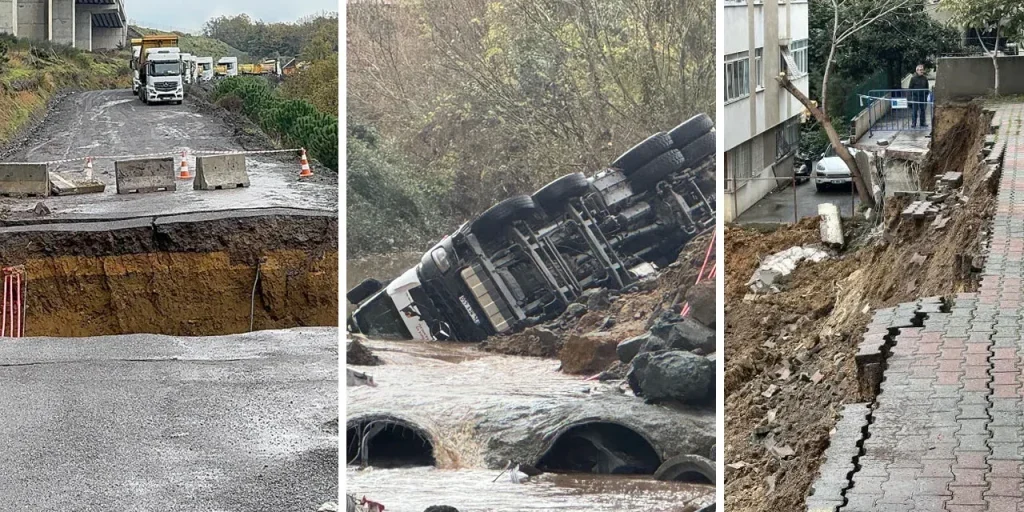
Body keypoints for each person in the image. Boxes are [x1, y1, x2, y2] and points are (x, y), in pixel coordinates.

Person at [908, 64, 930, 129]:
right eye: (920, 70)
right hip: (915, 97)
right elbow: (910, 88)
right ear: (916, 71)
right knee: (914, 110)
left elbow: (927, 88)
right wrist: (910, 98)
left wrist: (926, 95)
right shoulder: (913, 78)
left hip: (922, 97)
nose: (921, 71)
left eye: (922, 70)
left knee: (923, 110)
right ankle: (913, 123)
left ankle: (922, 123)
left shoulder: (925, 78)